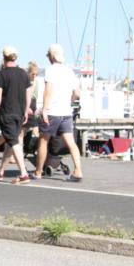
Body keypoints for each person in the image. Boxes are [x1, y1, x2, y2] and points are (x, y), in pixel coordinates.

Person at [33, 43, 84, 182]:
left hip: (53, 111)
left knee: (43, 140)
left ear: (53, 56)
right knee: (71, 143)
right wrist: (70, 102)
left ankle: (38, 172)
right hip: (66, 112)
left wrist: (44, 109)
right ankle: (78, 170)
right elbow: (77, 93)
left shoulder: (51, 70)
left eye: (49, 55)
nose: (48, 57)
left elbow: (48, 91)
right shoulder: (70, 71)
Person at [0, 46, 32, 184]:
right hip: (20, 113)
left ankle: (24, 174)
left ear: (4, 57)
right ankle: (1, 171)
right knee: (11, 141)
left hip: (7, 112)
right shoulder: (23, 73)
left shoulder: (2, 74)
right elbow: (28, 94)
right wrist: (26, 110)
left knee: (13, 141)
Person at [0, 60, 39, 161]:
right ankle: (12, 156)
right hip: (16, 109)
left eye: (36, 74)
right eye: (33, 74)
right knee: (13, 134)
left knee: (16, 134)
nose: (35, 76)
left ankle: (9, 155)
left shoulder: (33, 82)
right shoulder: (7, 76)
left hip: (28, 109)